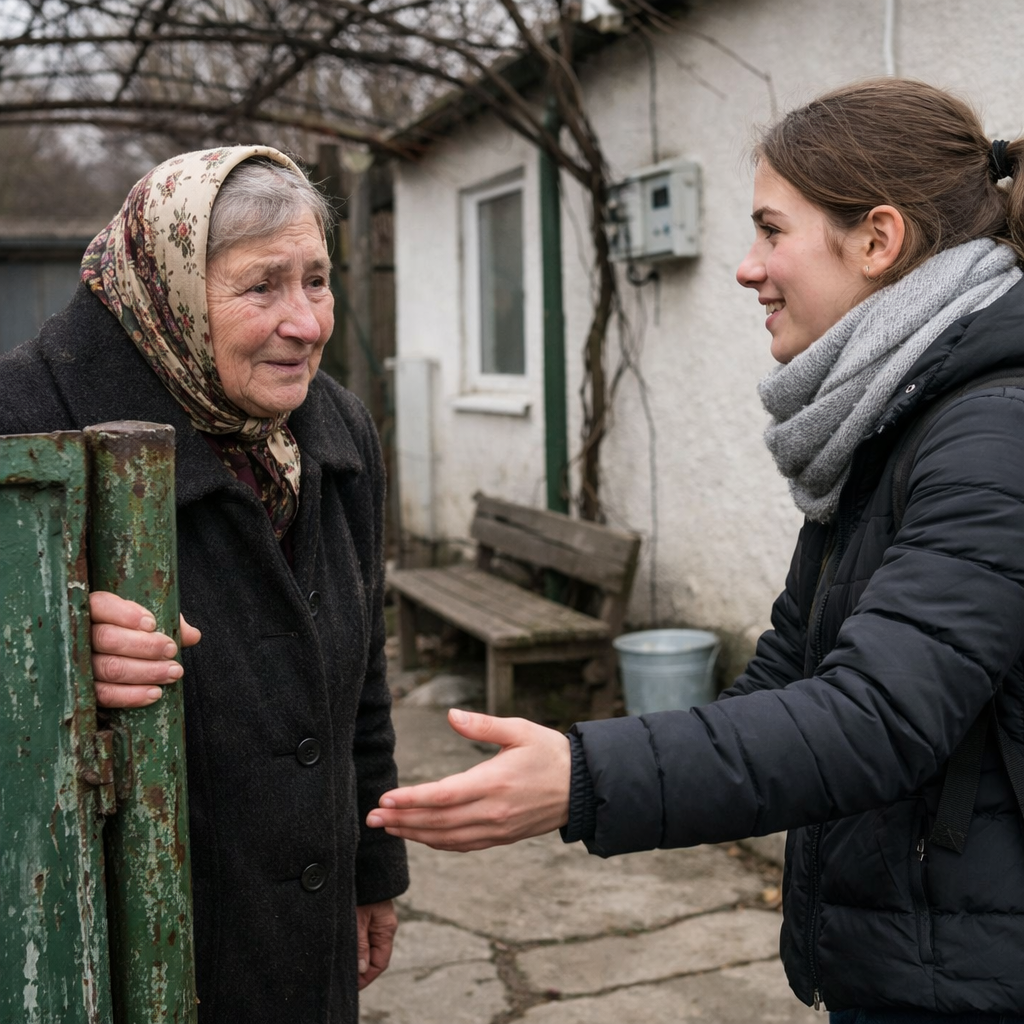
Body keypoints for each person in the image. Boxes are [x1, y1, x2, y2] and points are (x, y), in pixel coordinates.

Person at [366, 79, 1024, 1022]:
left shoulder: (990, 431)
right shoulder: (888, 423)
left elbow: (875, 718)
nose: (746, 268)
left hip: (977, 973)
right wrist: (582, 763)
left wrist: (583, 782)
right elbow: (788, 682)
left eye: (771, 230)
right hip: (913, 947)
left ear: (878, 241)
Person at [0, 146, 408, 1023]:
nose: (306, 323)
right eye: (262, 286)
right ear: (171, 290)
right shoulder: (24, 423)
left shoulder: (336, 430)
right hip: (107, 960)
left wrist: (374, 871)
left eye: (318, 281)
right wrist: (43, 641)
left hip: (303, 939)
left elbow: (361, 676)